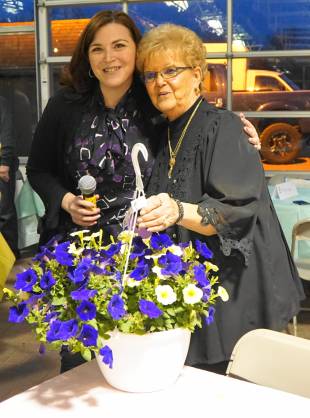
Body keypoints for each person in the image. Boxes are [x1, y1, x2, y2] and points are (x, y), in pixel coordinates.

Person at [26, 11, 260, 372]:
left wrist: (236, 131)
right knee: (80, 360)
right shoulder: (64, 106)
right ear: (86, 58)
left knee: (140, 358)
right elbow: (39, 169)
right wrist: (64, 199)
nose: (109, 57)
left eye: (120, 46)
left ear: (136, 52)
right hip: (80, 254)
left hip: (145, 255)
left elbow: (195, 125)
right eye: (97, 49)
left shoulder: (153, 102)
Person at [136, 23, 305, 374]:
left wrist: (177, 210)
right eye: (151, 74)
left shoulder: (223, 126)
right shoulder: (163, 131)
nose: (159, 82)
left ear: (197, 75)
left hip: (235, 286)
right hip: (197, 285)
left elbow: (234, 212)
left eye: (171, 70)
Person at [0, 95, 19, 259]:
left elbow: (7, 133)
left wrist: (4, 163)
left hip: (1, 166)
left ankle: (11, 257)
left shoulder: (2, 102)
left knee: (4, 214)